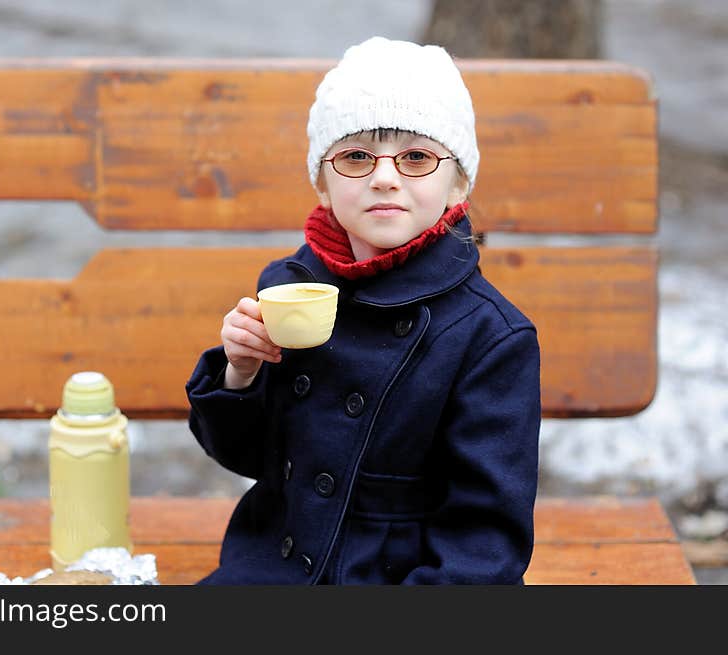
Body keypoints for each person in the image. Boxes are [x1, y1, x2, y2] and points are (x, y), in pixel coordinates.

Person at [185, 36, 541, 584]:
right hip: (269, 569)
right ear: (322, 183)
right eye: (355, 156)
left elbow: (484, 542)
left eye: (417, 157)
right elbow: (253, 460)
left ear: (458, 183)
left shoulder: (490, 336)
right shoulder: (288, 288)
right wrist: (241, 373)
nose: (384, 176)